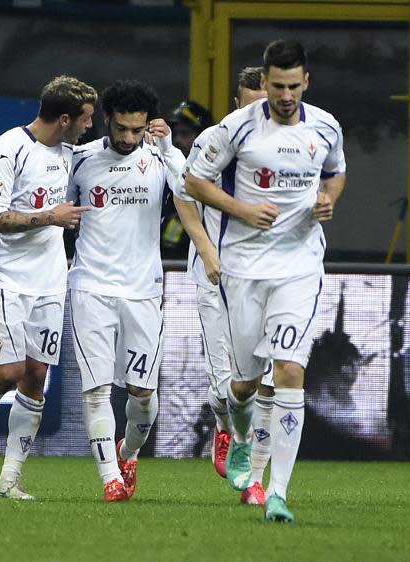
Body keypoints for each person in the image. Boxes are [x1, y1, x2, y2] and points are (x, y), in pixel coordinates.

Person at [185, 39, 346, 522]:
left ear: (306, 83)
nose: (285, 94)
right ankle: (238, 436)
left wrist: (327, 199)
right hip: (244, 268)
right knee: (244, 386)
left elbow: (336, 173)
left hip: (299, 267)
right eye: (277, 85)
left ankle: (276, 491)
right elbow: (194, 181)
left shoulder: (326, 126)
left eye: (293, 86)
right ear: (267, 83)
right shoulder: (236, 128)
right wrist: (240, 208)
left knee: (289, 372)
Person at [0, 75, 97, 499]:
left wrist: (156, 137)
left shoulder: (73, 151)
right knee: (8, 373)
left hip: (50, 280)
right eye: (86, 119)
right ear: (65, 118)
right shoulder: (8, 148)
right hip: (4, 278)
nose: (91, 126)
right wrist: (51, 217)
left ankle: (10, 478)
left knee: (35, 377)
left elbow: (112, 153)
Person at [68, 79, 184, 501]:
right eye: (121, 129)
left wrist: (169, 148)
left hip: (144, 291)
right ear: (106, 120)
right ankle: (109, 478)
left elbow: (191, 191)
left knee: (143, 397)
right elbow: (60, 212)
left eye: (137, 130)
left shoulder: (159, 159)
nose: (129, 138)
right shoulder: (80, 161)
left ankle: (129, 453)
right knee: (96, 389)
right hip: (90, 287)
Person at [173, 67, 272, 505]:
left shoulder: (287, 147)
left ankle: (256, 480)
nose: (255, 115)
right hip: (214, 272)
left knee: (264, 381)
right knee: (223, 387)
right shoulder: (213, 140)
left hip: (266, 275)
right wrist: (207, 249)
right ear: (236, 105)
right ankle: (223, 426)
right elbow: (184, 195)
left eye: (262, 106)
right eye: (247, 106)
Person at [161, 100, 214, 255]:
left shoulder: (216, 178)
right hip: (168, 270)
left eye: (185, 134)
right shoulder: (163, 170)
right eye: (175, 134)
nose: (177, 140)